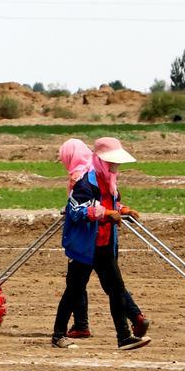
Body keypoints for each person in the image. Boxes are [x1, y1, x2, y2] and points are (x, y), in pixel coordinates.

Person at [51, 137, 150, 351]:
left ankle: (124, 337)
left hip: (105, 244)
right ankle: (58, 335)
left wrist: (123, 210)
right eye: (112, 163)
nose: (116, 166)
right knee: (74, 291)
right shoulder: (86, 183)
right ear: (100, 160)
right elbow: (75, 211)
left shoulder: (109, 183)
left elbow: (111, 203)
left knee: (116, 290)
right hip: (86, 246)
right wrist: (107, 213)